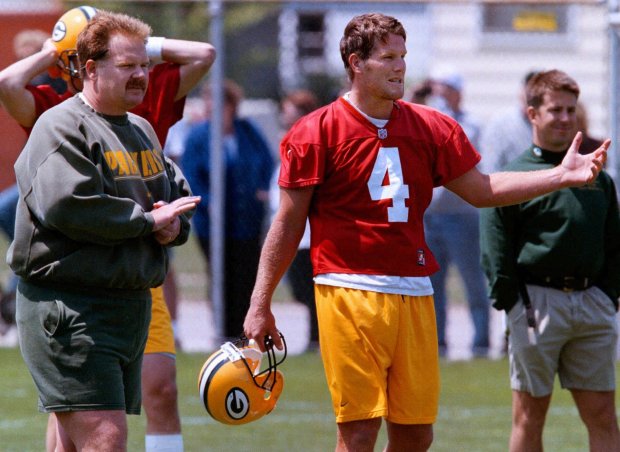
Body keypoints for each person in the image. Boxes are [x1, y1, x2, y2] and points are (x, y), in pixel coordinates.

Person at [242, 13, 609, 452]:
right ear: (356, 63)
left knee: (416, 435)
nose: (400, 67)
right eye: (388, 57)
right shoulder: (315, 131)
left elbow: (482, 189)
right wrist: (260, 303)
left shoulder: (432, 126)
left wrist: (558, 176)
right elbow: (287, 224)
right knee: (358, 431)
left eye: (403, 56)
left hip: (415, 290)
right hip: (348, 288)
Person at [0, 7, 215, 452]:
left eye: (144, 65)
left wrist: (172, 226)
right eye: (128, 66)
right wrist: (146, 221)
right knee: (105, 439)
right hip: (73, 306)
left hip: (126, 304)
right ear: (91, 69)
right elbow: (69, 206)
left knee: (74, 443)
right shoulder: (59, 123)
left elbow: (175, 192)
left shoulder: (139, 128)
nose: (140, 75)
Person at [480, 70, 620, 452]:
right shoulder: (514, 176)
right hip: (535, 304)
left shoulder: (597, 177)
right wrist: (512, 301)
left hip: (593, 304)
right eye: (555, 109)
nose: (563, 117)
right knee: (528, 417)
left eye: (570, 110)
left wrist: (609, 296)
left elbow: (614, 242)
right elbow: (495, 247)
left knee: (604, 416)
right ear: (532, 114)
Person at [182, 79, 274, 341]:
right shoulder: (199, 136)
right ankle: (223, 332)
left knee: (246, 278)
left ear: (232, 106)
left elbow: (266, 161)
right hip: (213, 225)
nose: (212, 108)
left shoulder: (247, 131)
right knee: (222, 277)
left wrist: (261, 189)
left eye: (219, 103)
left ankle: (244, 333)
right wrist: (211, 205)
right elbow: (191, 177)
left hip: (247, 221)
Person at [416, 66, 491, 358]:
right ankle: (438, 343)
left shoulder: (470, 124)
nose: (439, 92)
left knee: (473, 281)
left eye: (445, 87)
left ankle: (481, 342)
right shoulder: (425, 117)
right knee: (433, 285)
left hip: (462, 214)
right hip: (429, 216)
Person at [269, 89, 320, 351]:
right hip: (285, 230)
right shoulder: (286, 140)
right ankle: (316, 336)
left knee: (309, 290)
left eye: (290, 112)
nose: (285, 116)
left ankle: (316, 338)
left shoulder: (308, 142)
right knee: (300, 290)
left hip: (307, 234)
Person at [479, 70, 538, 174]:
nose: (532, 95)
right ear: (521, 92)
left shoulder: (552, 125)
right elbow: (490, 167)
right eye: (529, 88)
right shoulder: (500, 124)